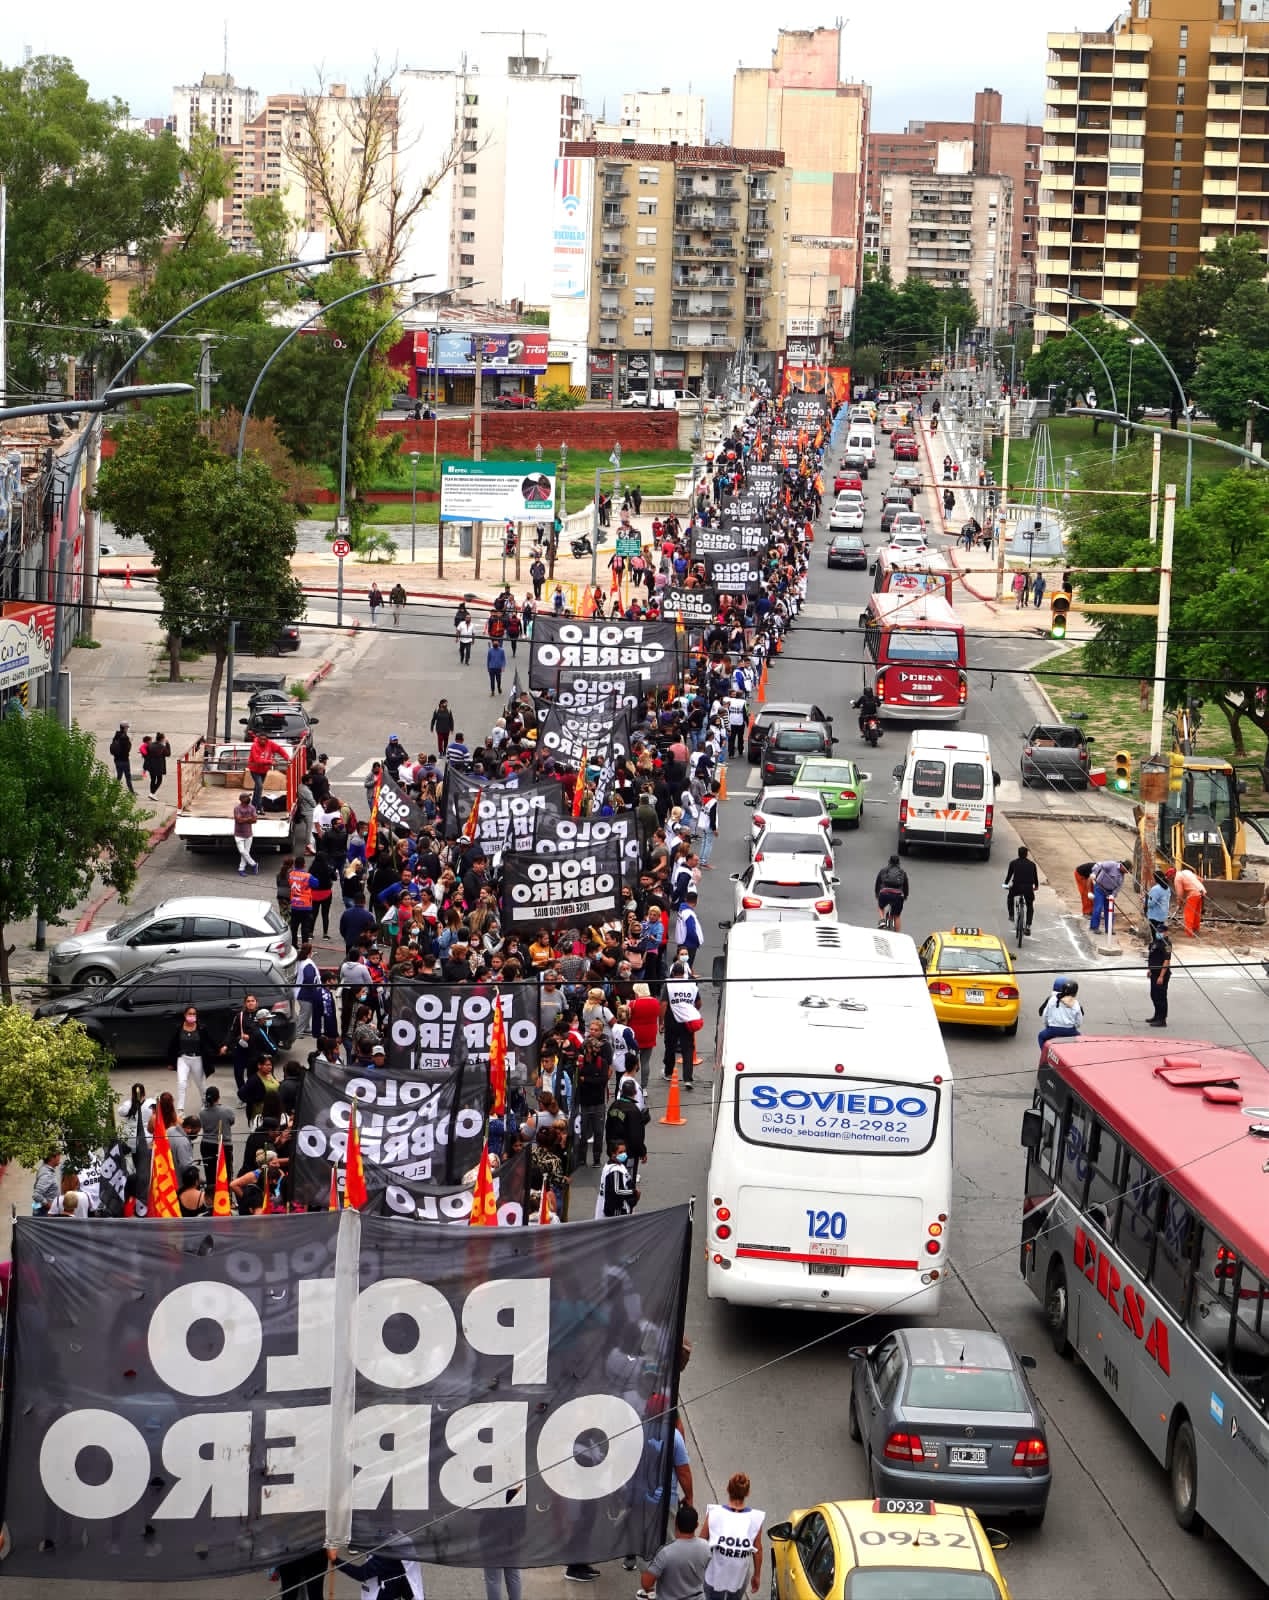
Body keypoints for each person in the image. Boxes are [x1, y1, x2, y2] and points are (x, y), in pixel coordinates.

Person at [700, 1474, 765, 1600]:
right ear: (747, 1493)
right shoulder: (755, 1519)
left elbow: (701, 1543)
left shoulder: (714, 1513)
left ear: (728, 1489)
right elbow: (758, 1551)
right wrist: (757, 1575)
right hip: (739, 1575)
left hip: (715, 1573)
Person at [640, 1505, 710, 1600]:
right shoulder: (706, 1546)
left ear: (676, 1524)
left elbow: (646, 1583)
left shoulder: (666, 1552)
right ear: (697, 1525)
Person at [168, 1005, 219, 1116]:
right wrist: (171, 1062)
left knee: (200, 1084)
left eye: (194, 1014)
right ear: (185, 1015)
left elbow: (210, 1040)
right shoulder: (179, 1028)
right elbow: (172, 1045)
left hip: (197, 1059)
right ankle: (180, 1109)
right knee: (182, 1083)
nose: (192, 1016)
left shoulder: (201, 1028)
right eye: (189, 1014)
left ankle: (205, 1102)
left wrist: (219, 1049)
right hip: (183, 1058)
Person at [662, 962, 700, 1088]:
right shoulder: (691, 985)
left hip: (671, 1020)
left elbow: (663, 1004)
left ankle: (668, 1072)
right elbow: (699, 1002)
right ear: (684, 973)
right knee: (688, 1049)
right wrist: (692, 1011)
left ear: (673, 973)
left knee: (670, 1047)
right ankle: (688, 1079)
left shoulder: (669, 985)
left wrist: (661, 1022)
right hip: (687, 1021)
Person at [200, 1085, 236, 1188]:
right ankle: (226, 1198)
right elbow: (231, 1121)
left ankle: (212, 1197)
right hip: (224, 1145)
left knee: (210, 1174)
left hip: (206, 1145)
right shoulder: (227, 1111)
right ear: (218, 1097)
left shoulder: (202, 1113)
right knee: (226, 1174)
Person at [595, 1139, 639, 1218]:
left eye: (624, 1151)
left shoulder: (611, 1165)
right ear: (613, 1153)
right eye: (620, 1152)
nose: (624, 1154)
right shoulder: (615, 1171)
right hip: (616, 1210)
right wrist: (633, 1192)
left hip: (607, 1205)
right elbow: (617, 1190)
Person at [247, 729, 291, 807]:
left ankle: (254, 804)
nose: (263, 741)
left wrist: (287, 758)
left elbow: (279, 749)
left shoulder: (270, 744)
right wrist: (270, 762)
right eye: (261, 739)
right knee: (259, 786)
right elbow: (257, 760)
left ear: (267, 739)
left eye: (264, 739)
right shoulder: (254, 746)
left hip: (264, 770)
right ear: (258, 739)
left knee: (258, 787)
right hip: (255, 770)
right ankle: (258, 805)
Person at [1038, 980, 1083, 1052]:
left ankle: (1045, 1055)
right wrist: (1073, 1027)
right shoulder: (1076, 1003)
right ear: (1075, 993)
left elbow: (1045, 1015)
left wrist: (1047, 1026)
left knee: (1041, 1036)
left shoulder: (1053, 999)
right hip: (1070, 1031)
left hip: (1053, 1030)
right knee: (1082, 1041)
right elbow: (1079, 1022)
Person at [1004, 844, 1039, 934]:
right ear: (1027, 854)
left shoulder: (1013, 863)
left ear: (1018, 854)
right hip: (1028, 888)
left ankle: (1011, 915)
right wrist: (1036, 886)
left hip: (1016, 887)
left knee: (1010, 897)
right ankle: (1028, 926)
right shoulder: (1032, 864)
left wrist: (1005, 884)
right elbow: (1035, 877)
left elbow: (1009, 875)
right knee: (1030, 905)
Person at [1089, 858, 1130, 934]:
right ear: (1122, 866)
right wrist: (1094, 873)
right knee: (1098, 907)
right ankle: (1094, 927)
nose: (1126, 873)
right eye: (1126, 871)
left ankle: (1109, 929)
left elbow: (1118, 887)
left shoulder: (1122, 876)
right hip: (1100, 888)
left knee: (1110, 910)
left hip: (1109, 892)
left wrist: (1113, 895)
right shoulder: (1111, 865)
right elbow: (1099, 865)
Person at [875, 853, 909, 931]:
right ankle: (897, 935)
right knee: (897, 916)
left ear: (889, 862)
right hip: (898, 895)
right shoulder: (902, 872)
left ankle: (882, 920)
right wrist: (905, 896)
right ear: (899, 863)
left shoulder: (883, 870)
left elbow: (878, 883)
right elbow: (906, 885)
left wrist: (877, 894)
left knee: (881, 907)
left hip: (885, 893)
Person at [1147, 927, 1172, 1027]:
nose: (1159, 933)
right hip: (1154, 973)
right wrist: (1150, 969)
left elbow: (1166, 961)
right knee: (1154, 995)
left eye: (1161, 932)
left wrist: (1161, 976)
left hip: (1161, 975)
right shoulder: (1156, 942)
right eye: (1158, 931)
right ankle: (1156, 1015)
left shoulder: (1167, 944)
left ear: (1166, 933)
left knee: (1160, 997)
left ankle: (1162, 1019)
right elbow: (1152, 956)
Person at [1174, 863, 1206, 937]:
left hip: (1193, 894)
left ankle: (1189, 932)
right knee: (1196, 913)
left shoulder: (1177, 878)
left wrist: (1179, 903)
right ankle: (1196, 929)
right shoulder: (1187, 872)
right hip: (1201, 891)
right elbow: (1201, 879)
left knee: (1189, 913)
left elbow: (1180, 893)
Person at [232, 791, 259, 875]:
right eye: (246, 797)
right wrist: (249, 818)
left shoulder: (252, 808)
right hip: (238, 834)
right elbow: (238, 820)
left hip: (248, 834)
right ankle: (254, 864)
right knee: (242, 851)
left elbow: (255, 820)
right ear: (241, 799)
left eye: (248, 797)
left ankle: (241, 869)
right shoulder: (237, 808)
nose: (248, 798)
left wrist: (245, 819)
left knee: (246, 852)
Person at [32, 1149, 61, 1215]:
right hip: (44, 1213)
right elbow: (36, 1195)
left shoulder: (46, 1170)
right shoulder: (47, 1174)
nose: (59, 1158)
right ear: (51, 1158)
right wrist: (50, 1207)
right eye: (58, 1156)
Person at [142, 732, 170, 796]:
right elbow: (168, 754)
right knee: (159, 780)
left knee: (153, 780)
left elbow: (146, 755)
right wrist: (167, 744)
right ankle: (152, 793)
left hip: (151, 766)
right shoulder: (162, 747)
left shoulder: (150, 745)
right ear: (162, 739)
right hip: (159, 766)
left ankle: (152, 793)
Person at [109, 722, 135, 792]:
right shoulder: (125, 738)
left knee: (119, 776)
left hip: (117, 760)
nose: (127, 729)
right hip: (124, 760)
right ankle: (131, 792)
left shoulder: (116, 736)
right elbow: (127, 749)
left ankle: (113, 790)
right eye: (127, 728)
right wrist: (129, 742)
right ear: (124, 728)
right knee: (128, 777)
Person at [1146, 872, 1171, 939]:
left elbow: (1150, 903)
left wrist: (1143, 900)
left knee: (1155, 936)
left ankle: (1157, 947)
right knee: (1161, 935)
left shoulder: (1156, 889)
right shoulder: (1167, 888)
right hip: (1163, 915)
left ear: (1156, 879)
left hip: (1154, 916)